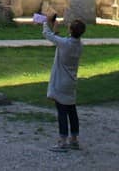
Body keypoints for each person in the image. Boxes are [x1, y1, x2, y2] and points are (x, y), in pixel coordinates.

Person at [42, 12, 86, 151]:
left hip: (61, 81)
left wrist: (46, 22)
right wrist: (56, 31)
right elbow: (62, 41)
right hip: (71, 82)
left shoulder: (65, 44)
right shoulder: (79, 46)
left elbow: (47, 35)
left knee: (61, 111)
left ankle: (62, 141)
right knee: (71, 110)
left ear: (71, 30)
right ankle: (74, 139)